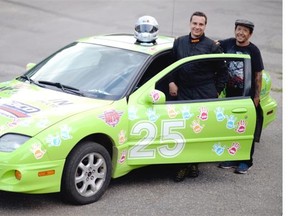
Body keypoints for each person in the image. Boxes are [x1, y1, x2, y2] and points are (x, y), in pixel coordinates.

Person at [168, 11, 228, 182]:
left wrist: (216, 90)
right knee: (183, 129)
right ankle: (182, 166)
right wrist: (172, 82)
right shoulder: (179, 42)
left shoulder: (212, 46)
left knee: (198, 130)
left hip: (204, 92)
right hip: (184, 92)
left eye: (201, 24)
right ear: (190, 24)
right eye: (195, 23)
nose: (197, 27)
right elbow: (171, 65)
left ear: (205, 26)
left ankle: (193, 163)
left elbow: (223, 71)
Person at [217, 19, 264, 174]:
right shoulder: (228, 44)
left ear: (250, 34)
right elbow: (213, 44)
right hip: (231, 94)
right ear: (235, 30)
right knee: (233, 127)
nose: (241, 33)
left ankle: (245, 161)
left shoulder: (253, 50)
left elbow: (258, 74)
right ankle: (232, 157)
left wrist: (256, 97)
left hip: (247, 95)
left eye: (245, 30)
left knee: (246, 128)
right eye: (238, 29)